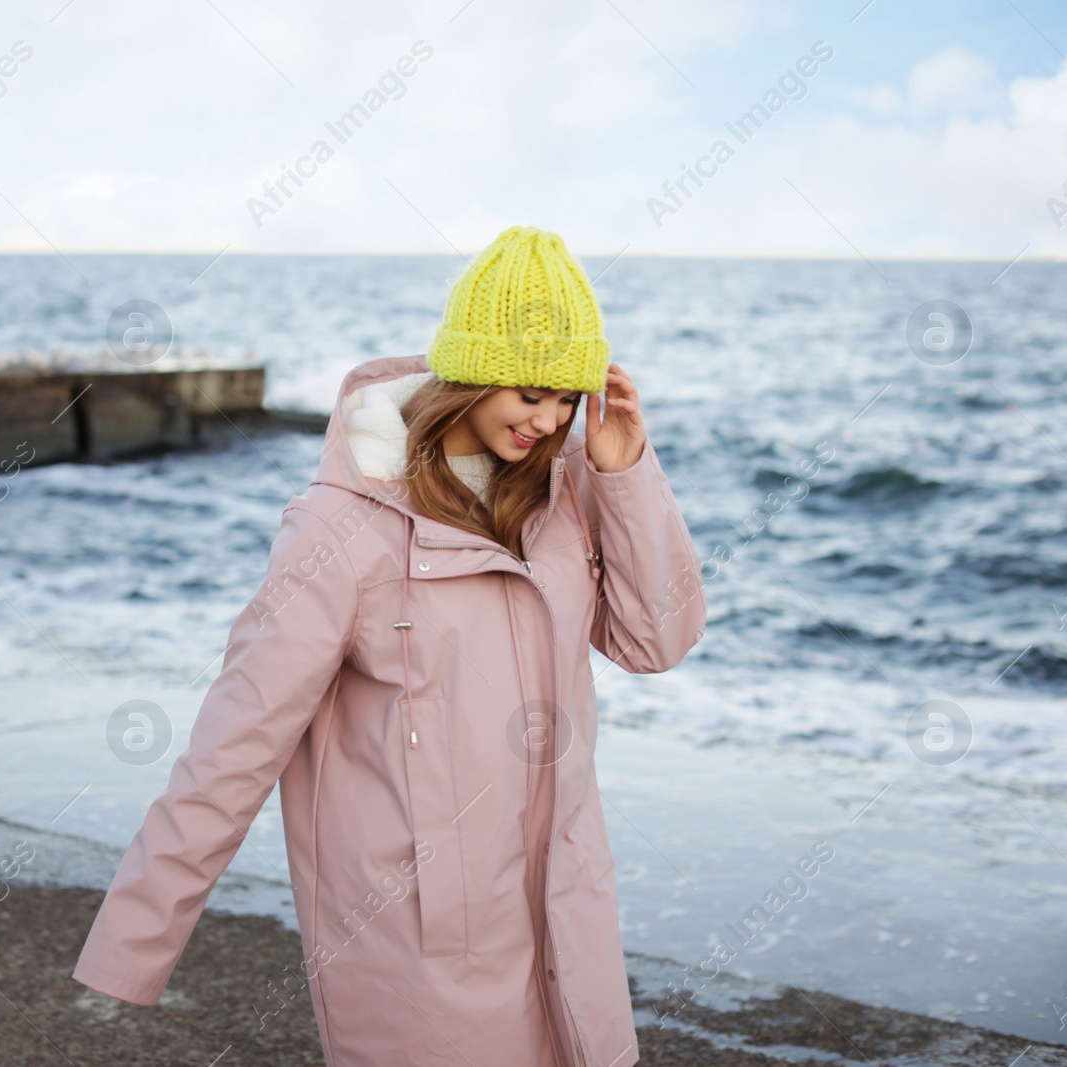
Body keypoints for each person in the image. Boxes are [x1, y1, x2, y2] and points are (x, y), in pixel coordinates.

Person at [72, 225, 707, 1066]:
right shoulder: (341, 528)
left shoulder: (566, 496)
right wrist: (135, 939)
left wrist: (625, 473)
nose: (549, 419)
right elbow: (239, 738)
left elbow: (654, 639)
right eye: (528, 392)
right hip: (414, 937)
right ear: (471, 370)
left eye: (566, 397)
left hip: (566, 906)